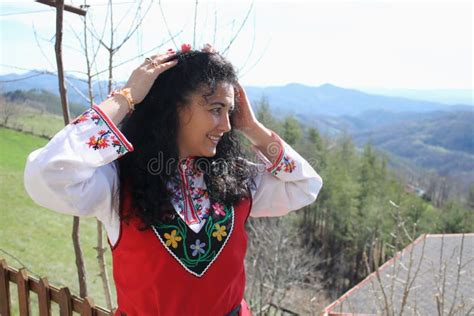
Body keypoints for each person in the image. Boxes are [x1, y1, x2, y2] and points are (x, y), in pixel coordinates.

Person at [24, 43, 323, 316]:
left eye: (230, 112)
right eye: (216, 109)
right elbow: (46, 173)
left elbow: (305, 186)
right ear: (174, 108)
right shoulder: (117, 182)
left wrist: (253, 128)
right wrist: (126, 97)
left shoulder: (235, 178)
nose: (227, 125)